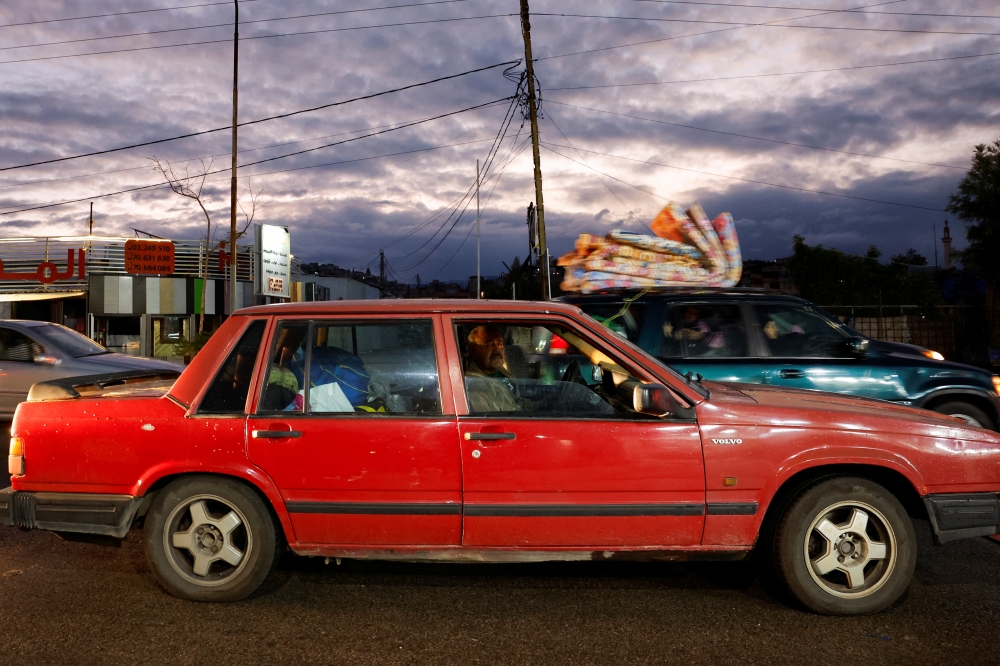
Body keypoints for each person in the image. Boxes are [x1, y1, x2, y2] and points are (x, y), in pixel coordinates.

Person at [464, 324, 519, 412]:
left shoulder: (503, 372)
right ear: (473, 353)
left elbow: (517, 403)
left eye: (499, 343)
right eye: (489, 345)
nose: (497, 349)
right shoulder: (474, 386)